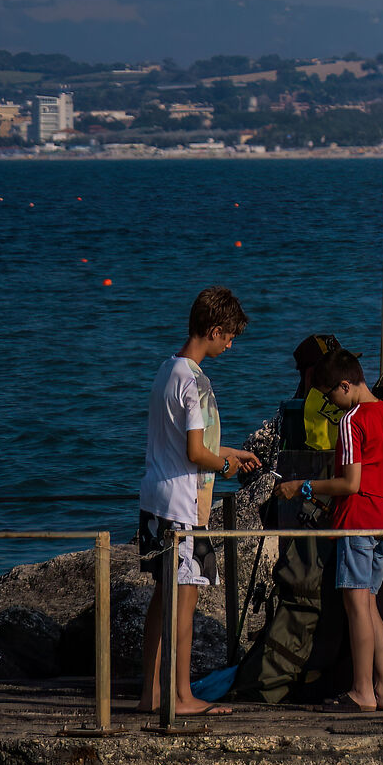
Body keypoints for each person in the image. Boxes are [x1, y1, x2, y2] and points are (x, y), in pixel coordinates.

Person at [139, 286, 264, 715]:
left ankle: (149, 693)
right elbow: (195, 452)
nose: (230, 344)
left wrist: (230, 453)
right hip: (185, 507)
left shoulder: (165, 370)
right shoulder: (192, 380)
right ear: (213, 330)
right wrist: (226, 468)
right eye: (228, 336)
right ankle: (181, 696)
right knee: (186, 602)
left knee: (162, 598)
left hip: (156, 498)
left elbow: (184, 445)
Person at [278, 349, 383, 710]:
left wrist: (303, 486)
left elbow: (349, 483)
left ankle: (362, 691)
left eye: (331, 395)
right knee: (370, 606)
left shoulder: (353, 420)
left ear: (345, 386)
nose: (331, 404)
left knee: (356, 607)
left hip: (357, 522)